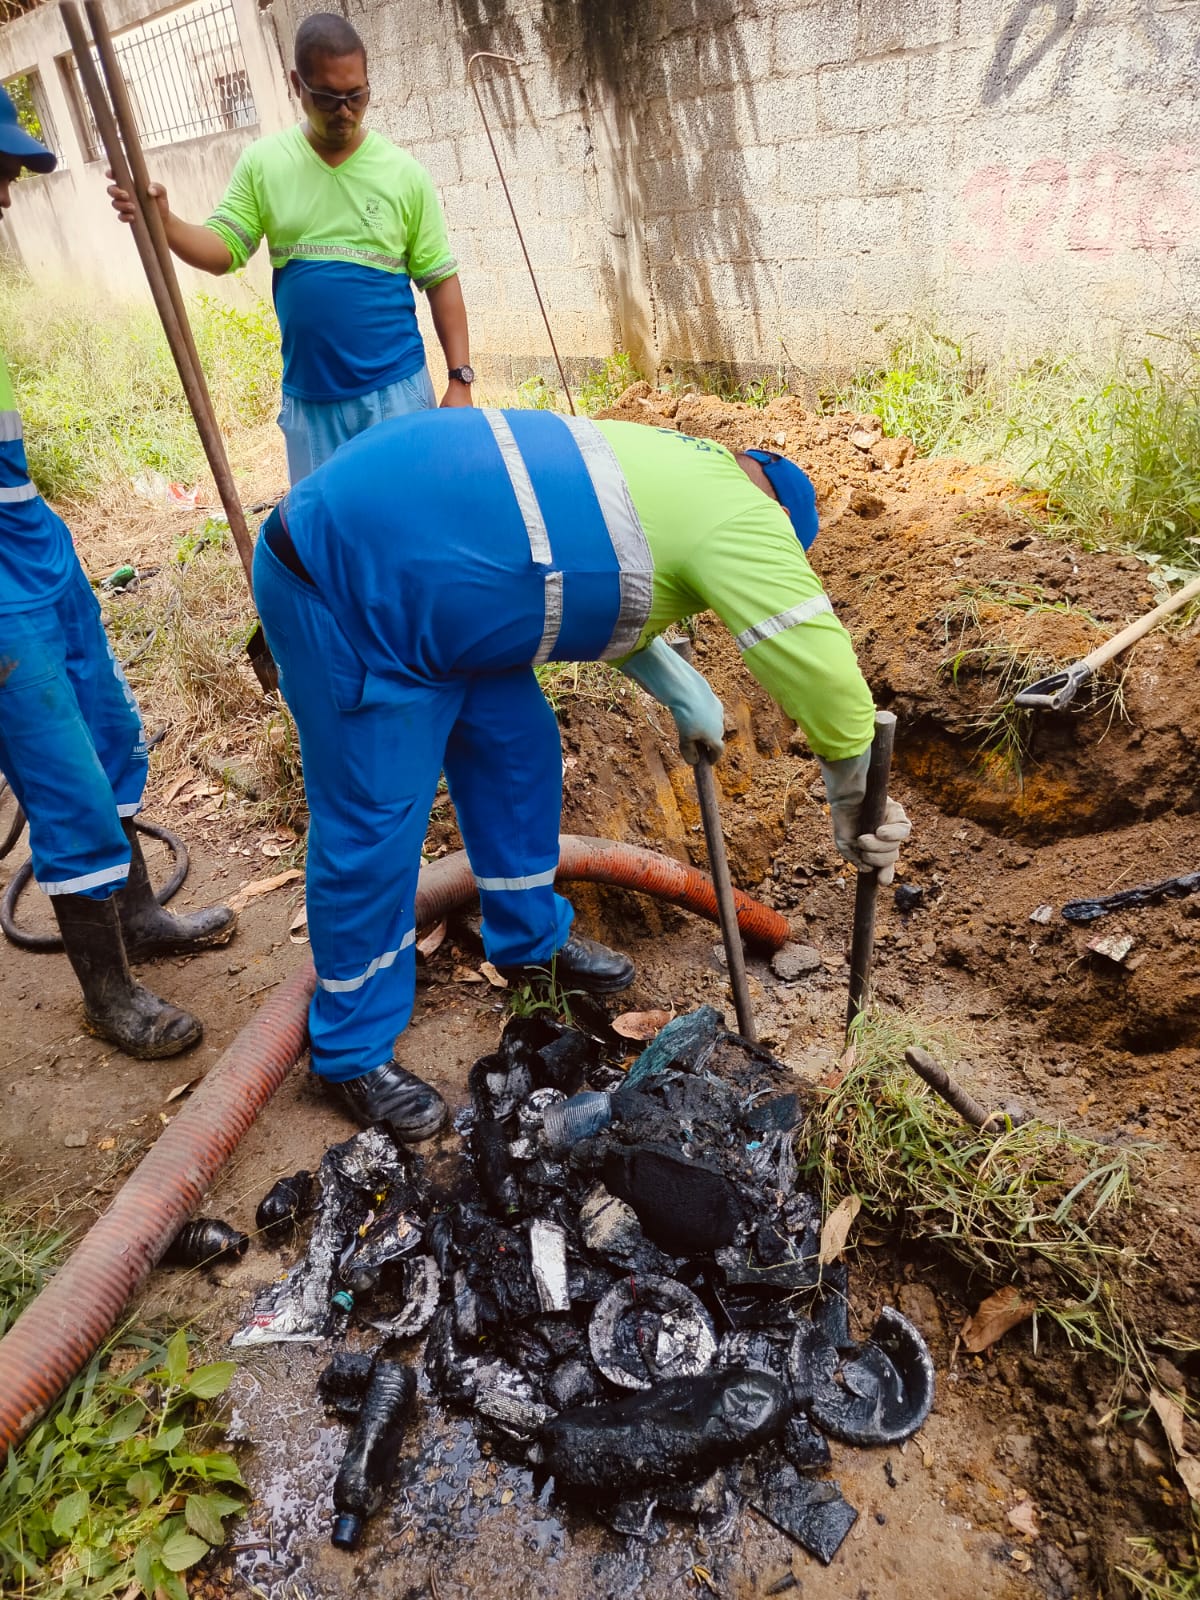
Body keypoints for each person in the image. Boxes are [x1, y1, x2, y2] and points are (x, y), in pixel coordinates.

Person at [252, 407, 912, 1142]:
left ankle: (530, 943)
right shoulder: (745, 518)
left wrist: (678, 685)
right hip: (352, 591)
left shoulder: (678, 464)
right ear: (781, 525)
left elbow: (591, 567)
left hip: (440, 596)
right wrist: (857, 797)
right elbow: (820, 669)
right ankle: (349, 1052)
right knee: (374, 821)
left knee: (516, 754)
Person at [0, 91, 237, 1058]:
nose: (7, 201)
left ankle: (136, 914)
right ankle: (108, 993)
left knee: (105, 724)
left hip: (26, 526)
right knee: (60, 773)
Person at [108, 12, 474, 484]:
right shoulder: (264, 164)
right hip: (312, 404)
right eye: (327, 97)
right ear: (295, 83)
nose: (344, 110)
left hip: (396, 394)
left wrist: (460, 379)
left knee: (406, 526)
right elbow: (224, 250)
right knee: (325, 534)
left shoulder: (404, 174)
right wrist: (166, 223)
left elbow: (440, 279)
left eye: (356, 95)